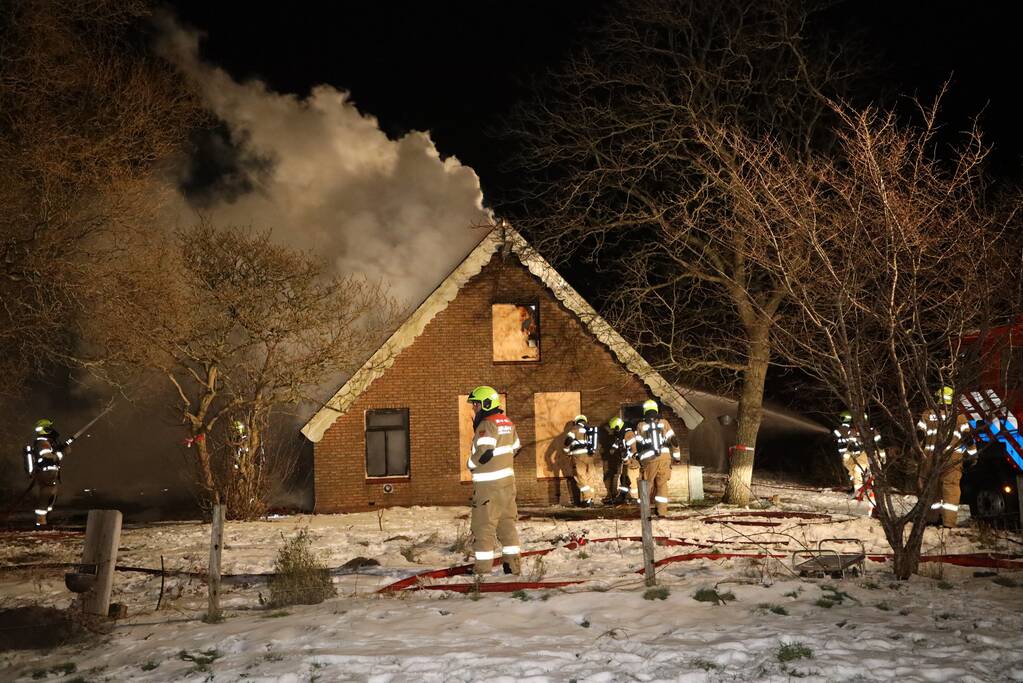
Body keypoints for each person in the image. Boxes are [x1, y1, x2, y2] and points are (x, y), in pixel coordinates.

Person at [466, 386, 522, 576]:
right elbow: (516, 448)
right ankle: (513, 567)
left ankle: (482, 572)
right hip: (507, 485)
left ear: (486, 404)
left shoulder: (487, 425)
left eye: (476, 404)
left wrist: (471, 464)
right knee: (507, 525)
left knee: (484, 527)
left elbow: (485, 452)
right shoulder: (507, 422)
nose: (474, 408)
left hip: (488, 488)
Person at [917, 386, 977, 528]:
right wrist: (973, 457)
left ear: (937, 398)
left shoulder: (927, 414)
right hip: (952, 459)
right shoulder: (959, 417)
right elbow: (968, 439)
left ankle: (931, 519)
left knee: (931, 488)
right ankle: (949, 523)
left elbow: (918, 436)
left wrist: (915, 454)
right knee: (951, 490)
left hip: (930, 458)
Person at [634, 400, 681, 517]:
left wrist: (638, 459)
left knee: (647, 485)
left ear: (645, 410)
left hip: (649, 459)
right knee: (662, 485)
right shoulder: (664, 423)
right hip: (665, 458)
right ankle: (662, 512)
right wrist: (677, 457)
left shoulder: (641, 425)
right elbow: (674, 441)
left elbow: (638, 445)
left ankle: (645, 512)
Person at [24, 419, 73, 526]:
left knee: (51, 495)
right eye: (49, 428)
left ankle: (45, 518)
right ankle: (41, 521)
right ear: (46, 429)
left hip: (49, 474)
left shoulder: (47, 442)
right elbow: (49, 458)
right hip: (45, 474)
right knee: (46, 494)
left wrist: (61, 449)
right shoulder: (42, 443)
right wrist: (61, 453)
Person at [563, 414, 599, 506]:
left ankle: (587, 498)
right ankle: (591, 499)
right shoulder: (589, 429)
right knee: (589, 476)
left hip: (578, 456)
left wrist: (566, 451)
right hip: (590, 456)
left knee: (580, 477)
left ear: (576, 421)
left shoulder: (574, 429)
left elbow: (568, 441)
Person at [606, 417, 640, 503]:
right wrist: (613, 449)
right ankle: (622, 495)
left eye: (614, 429)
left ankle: (635, 498)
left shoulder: (628, 434)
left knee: (632, 480)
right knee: (624, 478)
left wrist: (628, 458)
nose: (614, 431)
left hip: (632, 461)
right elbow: (619, 443)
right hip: (626, 461)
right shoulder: (622, 433)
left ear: (618, 426)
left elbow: (634, 449)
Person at [833, 410, 867, 494]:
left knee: (856, 471)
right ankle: (855, 488)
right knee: (852, 471)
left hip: (854, 454)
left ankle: (858, 491)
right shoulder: (847, 428)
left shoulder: (851, 428)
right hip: (848, 453)